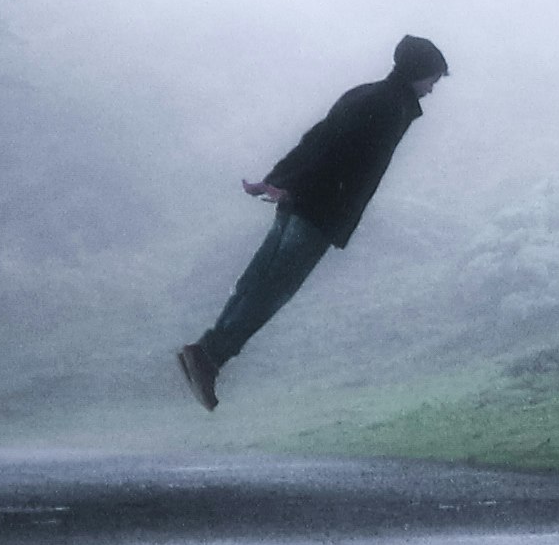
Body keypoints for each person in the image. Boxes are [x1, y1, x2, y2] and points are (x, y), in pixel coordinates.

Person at [177, 37, 447, 409]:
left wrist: (278, 181)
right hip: (318, 212)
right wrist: (289, 185)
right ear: (417, 72)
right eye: (432, 78)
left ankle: (206, 353)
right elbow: (335, 152)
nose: (433, 87)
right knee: (271, 291)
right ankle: (210, 356)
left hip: (299, 203)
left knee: (256, 283)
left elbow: (317, 139)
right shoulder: (390, 108)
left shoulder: (365, 95)